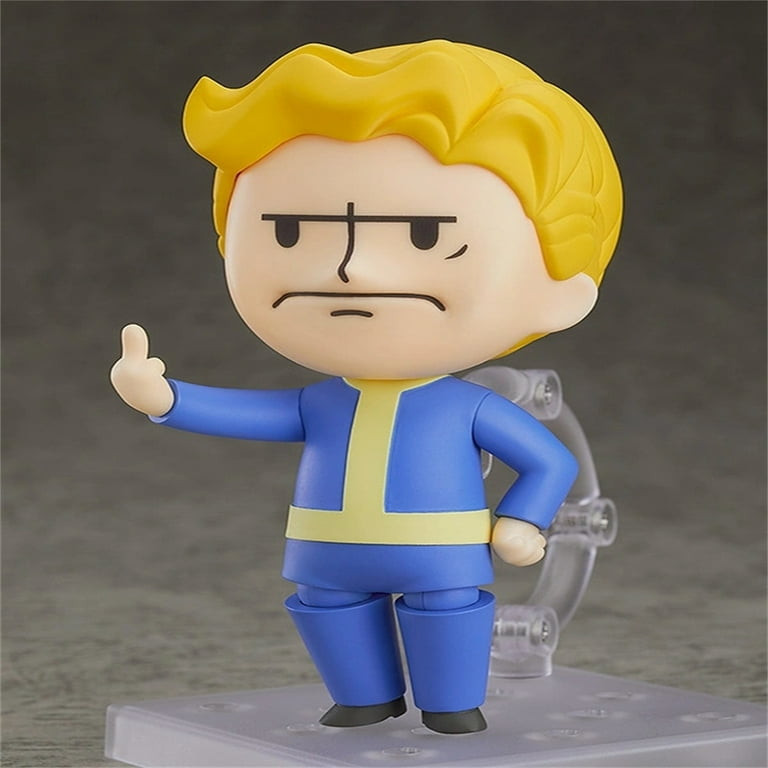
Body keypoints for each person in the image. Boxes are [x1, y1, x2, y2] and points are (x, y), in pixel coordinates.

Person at [111, 40, 622, 734]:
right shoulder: (321, 402)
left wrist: (523, 520)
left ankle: (451, 705)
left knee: (446, 607)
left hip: (441, 549)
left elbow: (549, 461)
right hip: (327, 547)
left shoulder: (464, 405)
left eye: (423, 234)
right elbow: (252, 414)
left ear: (561, 289)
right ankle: (363, 696)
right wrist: (165, 398)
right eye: (289, 232)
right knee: (327, 605)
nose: (349, 270)